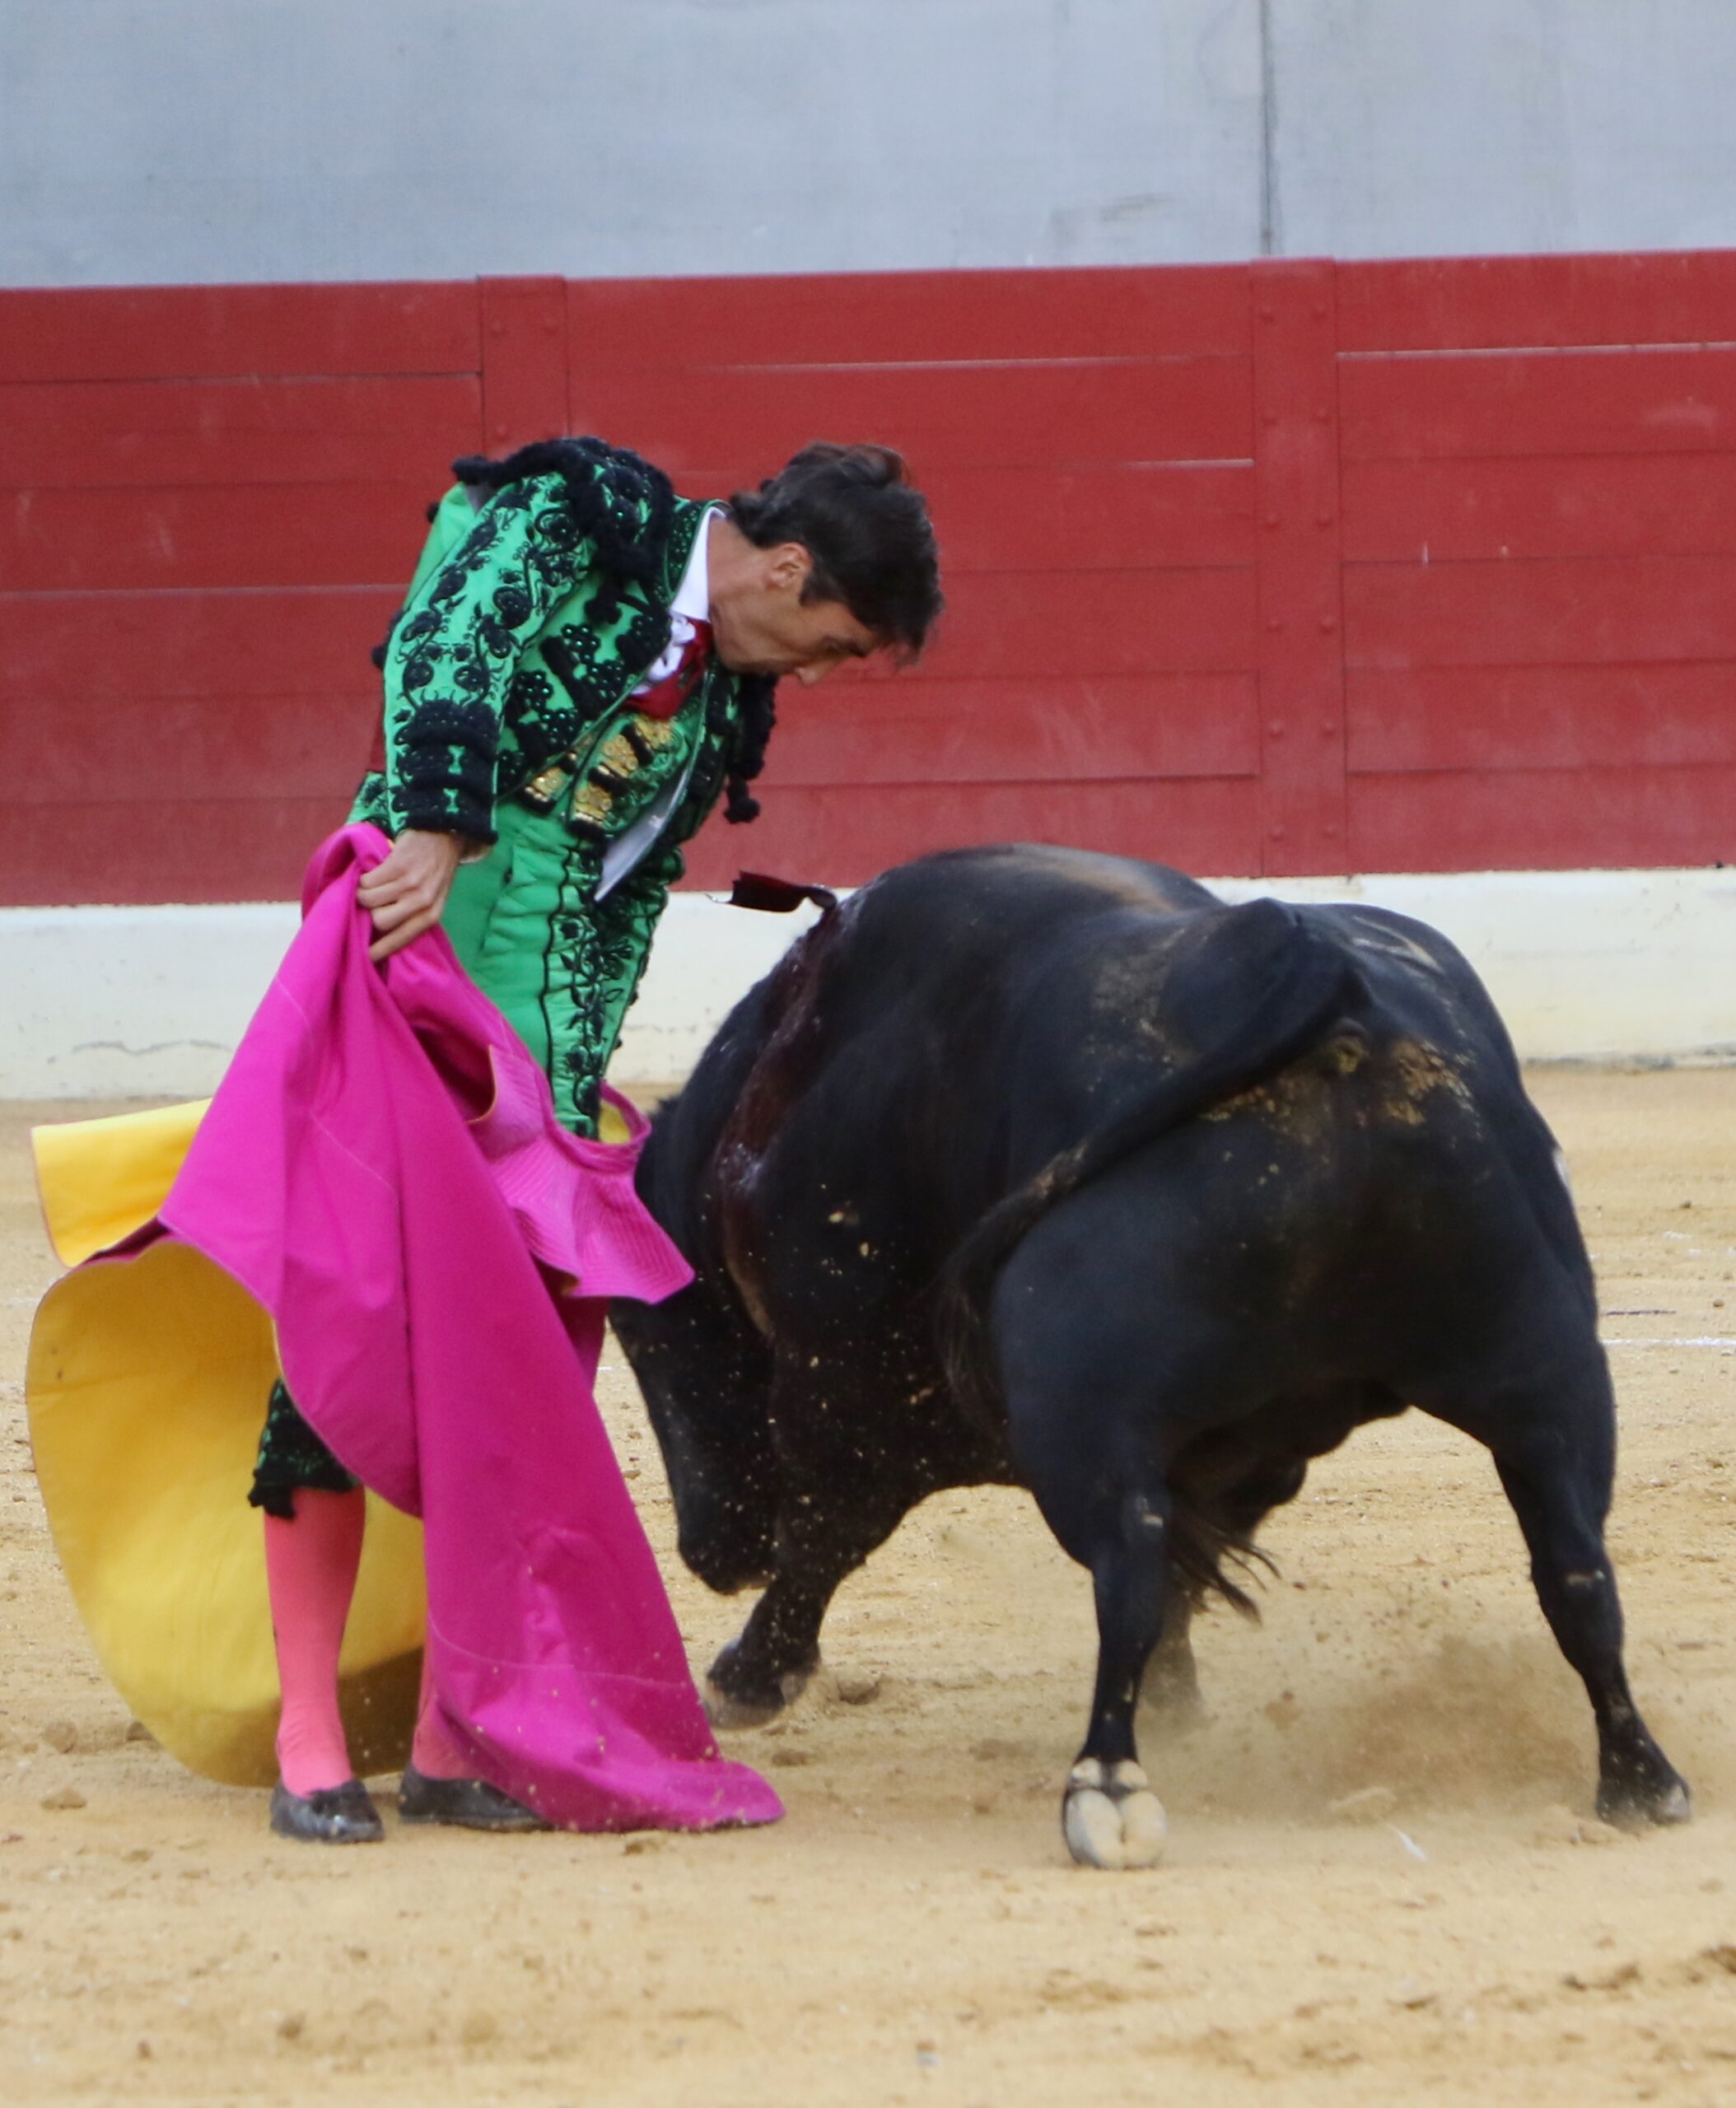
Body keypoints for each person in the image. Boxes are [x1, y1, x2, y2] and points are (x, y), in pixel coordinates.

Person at [254, 436, 943, 1841]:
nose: (817, 671)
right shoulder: (587, 514)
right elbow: (447, 642)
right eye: (831, 640)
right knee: (353, 1321)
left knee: (516, 1373)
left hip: (543, 1055)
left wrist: (577, 1081)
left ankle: (457, 1730)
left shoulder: (726, 702)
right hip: (413, 963)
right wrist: (440, 828)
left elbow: (631, 886)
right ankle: (309, 1733)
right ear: (790, 570)